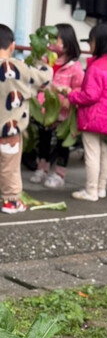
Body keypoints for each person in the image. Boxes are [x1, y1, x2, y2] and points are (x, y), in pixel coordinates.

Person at [67, 23, 107, 201]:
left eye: (91, 41)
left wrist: (72, 96)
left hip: (93, 118)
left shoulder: (96, 67)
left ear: (100, 42)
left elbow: (90, 95)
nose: (90, 45)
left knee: (92, 154)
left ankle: (91, 191)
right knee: (103, 152)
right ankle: (101, 189)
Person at [0, 24, 53, 214]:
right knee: (9, 166)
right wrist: (42, 62)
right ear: (12, 45)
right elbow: (44, 78)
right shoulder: (19, 68)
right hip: (9, 130)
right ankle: (11, 201)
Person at [30, 23, 84, 189]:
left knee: (63, 143)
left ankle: (59, 173)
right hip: (45, 110)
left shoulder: (74, 66)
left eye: (57, 39)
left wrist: (70, 97)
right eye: (51, 39)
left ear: (67, 42)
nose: (52, 43)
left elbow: (79, 87)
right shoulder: (46, 61)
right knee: (44, 139)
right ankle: (42, 168)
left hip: (64, 112)